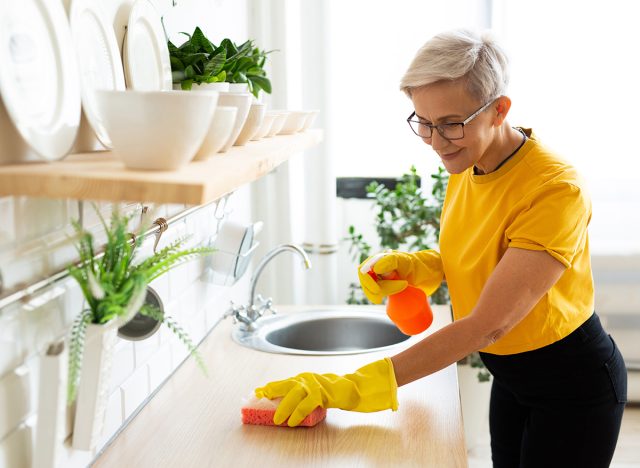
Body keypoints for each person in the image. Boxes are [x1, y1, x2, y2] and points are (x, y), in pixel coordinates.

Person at [255, 29, 627, 467]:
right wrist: (419, 267)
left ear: (499, 110)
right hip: (510, 378)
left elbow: (489, 323)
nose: (435, 141)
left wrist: (353, 387)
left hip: (572, 384)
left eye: (450, 123)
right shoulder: (468, 163)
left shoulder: (554, 189)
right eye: (423, 122)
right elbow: (488, 256)